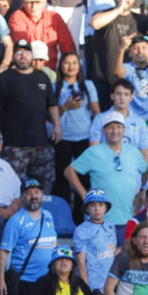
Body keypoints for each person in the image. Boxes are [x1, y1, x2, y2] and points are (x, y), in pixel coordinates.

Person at [0, 39, 62, 192]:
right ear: (13, 56)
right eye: (19, 52)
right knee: (12, 187)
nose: (23, 55)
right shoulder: (4, 79)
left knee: (43, 188)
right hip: (13, 146)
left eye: (26, 52)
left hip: (41, 144)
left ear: (32, 55)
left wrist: (57, 126)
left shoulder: (42, 77)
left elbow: (52, 105)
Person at [66, 112, 148, 233]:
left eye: (118, 127)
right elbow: (69, 171)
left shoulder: (133, 151)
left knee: (126, 252)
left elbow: (146, 170)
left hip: (129, 218)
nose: (115, 131)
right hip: (100, 220)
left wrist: (142, 192)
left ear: (124, 130)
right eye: (110, 127)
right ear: (104, 131)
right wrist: (84, 194)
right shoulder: (94, 151)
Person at [0, 179, 58, 295]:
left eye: (36, 192)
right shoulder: (16, 220)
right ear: (22, 197)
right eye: (29, 193)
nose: (33, 196)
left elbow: (53, 245)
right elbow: (4, 252)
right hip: (24, 282)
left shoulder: (48, 216)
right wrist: (0, 279)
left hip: (47, 281)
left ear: (42, 194)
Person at [53, 53, 101, 222]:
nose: (71, 66)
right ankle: (62, 218)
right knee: (62, 179)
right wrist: (66, 106)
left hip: (84, 138)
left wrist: (95, 137)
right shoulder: (55, 87)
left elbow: (96, 112)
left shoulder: (88, 85)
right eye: (67, 63)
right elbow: (49, 116)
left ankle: (81, 217)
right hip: (63, 138)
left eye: (74, 63)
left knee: (83, 179)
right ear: (61, 66)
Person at [88, 80, 148, 167]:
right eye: (118, 94)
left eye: (126, 94)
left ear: (131, 97)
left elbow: (144, 151)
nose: (122, 98)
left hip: (133, 175)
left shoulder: (139, 122)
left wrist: (147, 175)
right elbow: (94, 149)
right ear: (112, 96)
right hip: (108, 172)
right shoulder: (100, 119)